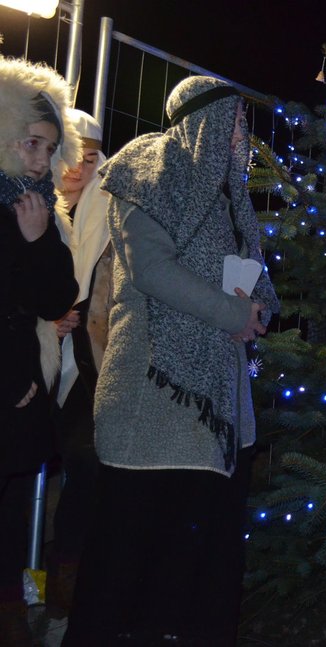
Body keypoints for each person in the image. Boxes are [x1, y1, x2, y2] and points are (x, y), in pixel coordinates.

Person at [62, 76, 279, 646]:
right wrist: (234, 316)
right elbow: (152, 272)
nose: (243, 137)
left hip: (216, 411)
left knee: (197, 559)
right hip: (153, 401)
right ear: (206, 123)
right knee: (127, 555)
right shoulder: (146, 172)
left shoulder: (232, 200)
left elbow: (243, 276)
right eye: (235, 122)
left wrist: (254, 309)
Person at [0, 56, 80, 647]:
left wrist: (35, 240)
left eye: (50, 148)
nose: (41, 159)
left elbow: (56, 295)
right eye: (31, 143)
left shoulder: (37, 207)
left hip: (17, 389)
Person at [44, 108, 113, 623]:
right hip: (33, 361)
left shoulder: (106, 209)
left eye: (88, 157)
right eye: (70, 155)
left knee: (85, 463)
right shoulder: (31, 205)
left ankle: (67, 581)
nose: (77, 168)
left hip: (84, 366)